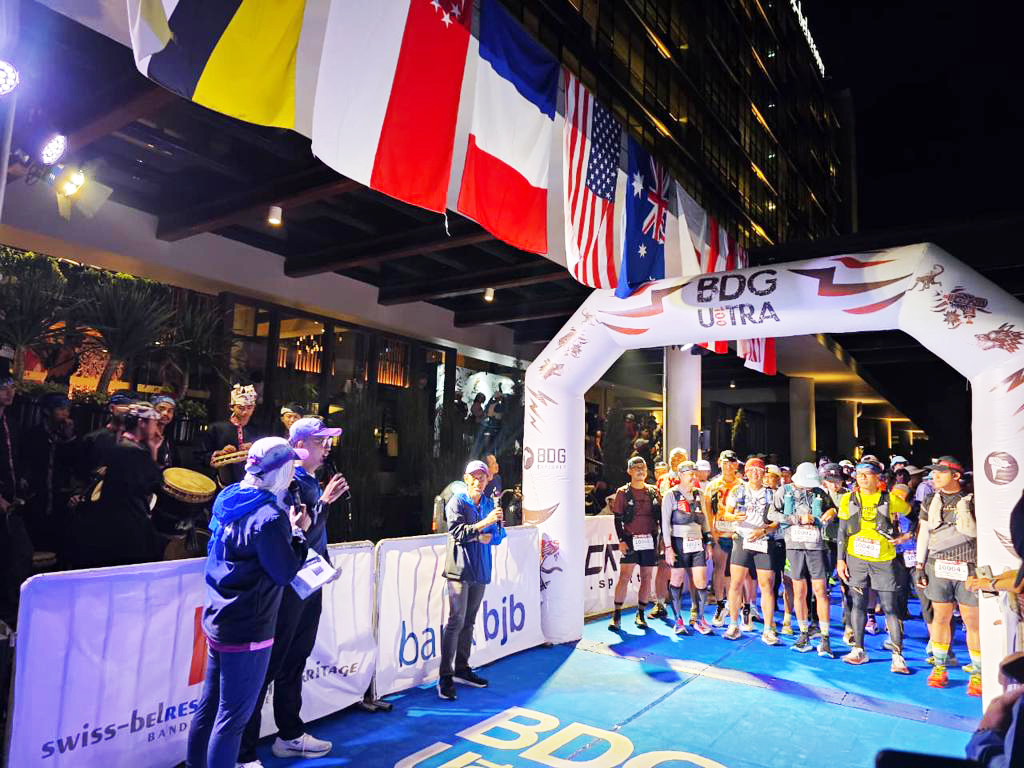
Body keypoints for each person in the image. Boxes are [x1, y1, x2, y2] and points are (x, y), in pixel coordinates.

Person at [186, 437, 311, 768]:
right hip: (250, 626)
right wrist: (298, 534)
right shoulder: (269, 516)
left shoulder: (227, 498)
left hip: (219, 618)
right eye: (291, 466)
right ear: (280, 471)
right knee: (232, 719)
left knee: (209, 706)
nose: (293, 473)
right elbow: (284, 572)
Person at [237, 420, 348, 765]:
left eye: (327, 441)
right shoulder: (289, 482)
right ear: (297, 444)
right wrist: (324, 503)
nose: (326, 447)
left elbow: (310, 536)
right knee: (268, 668)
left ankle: (289, 733)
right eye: (319, 441)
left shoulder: (310, 480)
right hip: (286, 587)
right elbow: (293, 534)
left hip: (307, 586)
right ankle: (243, 752)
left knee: (295, 661)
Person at [437, 460, 506, 701]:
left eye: (482, 477)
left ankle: (462, 669)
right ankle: (445, 677)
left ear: (488, 480)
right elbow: (457, 533)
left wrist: (492, 531)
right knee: (455, 621)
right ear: (466, 479)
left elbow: (498, 536)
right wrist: (483, 527)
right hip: (459, 570)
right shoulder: (457, 501)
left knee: (469, 622)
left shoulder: (489, 503)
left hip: (481, 571)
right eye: (474, 477)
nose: (478, 481)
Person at [836, 461, 911, 673]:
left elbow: (914, 515)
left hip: (883, 560)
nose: (862, 478)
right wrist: (840, 560)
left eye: (867, 474)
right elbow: (842, 531)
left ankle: (898, 656)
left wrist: (906, 536)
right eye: (859, 474)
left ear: (878, 478)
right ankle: (858, 649)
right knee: (858, 604)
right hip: (856, 559)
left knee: (889, 607)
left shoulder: (890, 499)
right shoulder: (848, 499)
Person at [915, 456, 981, 695]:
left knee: (972, 621)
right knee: (940, 618)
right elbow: (924, 533)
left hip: (969, 566)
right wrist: (919, 565)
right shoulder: (930, 499)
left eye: (940, 472)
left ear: (956, 476)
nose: (934, 476)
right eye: (933, 473)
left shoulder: (973, 499)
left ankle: (978, 673)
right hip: (937, 566)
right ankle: (939, 667)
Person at [72, 403, 166, 568]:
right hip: (127, 526)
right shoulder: (133, 451)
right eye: (153, 422)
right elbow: (153, 484)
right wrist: (153, 450)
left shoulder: (122, 445)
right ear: (141, 423)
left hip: (115, 523)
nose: (156, 428)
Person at [772, 462, 838, 657]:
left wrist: (831, 513)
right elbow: (772, 513)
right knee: (799, 591)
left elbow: (833, 510)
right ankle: (803, 634)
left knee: (821, 591)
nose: (808, 487)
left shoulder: (820, 492)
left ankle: (825, 637)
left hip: (816, 546)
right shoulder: (784, 491)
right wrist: (797, 519)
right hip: (794, 546)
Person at [722, 456, 781, 644]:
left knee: (766, 586)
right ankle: (733, 625)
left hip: (763, 540)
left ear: (764, 473)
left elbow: (777, 521)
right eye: (751, 470)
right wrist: (733, 518)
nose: (755, 473)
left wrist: (762, 531)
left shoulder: (772, 494)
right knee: (735, 583)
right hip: (742, 539)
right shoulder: (738, 490)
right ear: (746, 473)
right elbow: (726, 513)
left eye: (759, 470)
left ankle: (768, 629)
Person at [609, 456, 660, 631]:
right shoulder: (623, 492)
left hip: (649, 540)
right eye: (636, 468)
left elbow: (660, 518)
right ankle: (616, 615)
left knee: (647, 577)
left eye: (643, 467)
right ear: (629, 471)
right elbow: (618, 519)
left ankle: (641, 614)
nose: (640, 471)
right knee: (624, 577)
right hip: (630, 539)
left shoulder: (653, 491)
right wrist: (621, 541)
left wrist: (662, 541)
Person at [662, 461, 712, 635]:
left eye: (695, 473)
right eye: (690, 474)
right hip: (678, 542)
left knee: (701, 581)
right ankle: (678, 620)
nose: (694, 477)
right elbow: (665, 523)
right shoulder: (671, 495)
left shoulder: (699, 494)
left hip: (697, 542)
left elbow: (705, 520)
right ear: (681, 475)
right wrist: (668, 547)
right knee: (676, 579)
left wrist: (709, 542)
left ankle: (699, 619)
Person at [22, 393, 76, 553]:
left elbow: (75, 463)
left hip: (60, 496)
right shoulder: (33, 434)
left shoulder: (69, 436)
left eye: (67, 409)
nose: (65, 414)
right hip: (37, 495)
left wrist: (69, 438)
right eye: (61, 409)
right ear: (47, 411)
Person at [703, 450, 742, 627]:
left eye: (731, 463)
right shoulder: (712, 486)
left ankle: (739, 607)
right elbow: (707, 512)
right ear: (719, 463)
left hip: (738, 534)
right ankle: (720, 604)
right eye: (725, 463)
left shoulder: (742, 485)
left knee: (738, 573)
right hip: (719, 533)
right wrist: (712, 534)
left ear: (736, 465)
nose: (728, 466)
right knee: (719, 569)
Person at [202, 384, 261, 487]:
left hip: (252, 485)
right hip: (222, 484)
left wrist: (255, 448)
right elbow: (201, 455)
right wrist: (220, 453)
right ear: (231, 407)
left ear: (254, 408)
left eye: (249, 407)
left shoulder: (259, 430)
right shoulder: (216, 428)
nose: (245, 412)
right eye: (241, 408)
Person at [77, 391, 135, 481]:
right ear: (112, 408)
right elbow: (80, 470)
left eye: (133, 408)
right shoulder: (93, 438)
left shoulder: (137, 439)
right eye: (125, 406)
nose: (129, 411)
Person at [151, 394, 178, 469]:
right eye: (161, 409)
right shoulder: (144, 436)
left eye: (170, 411)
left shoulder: (169, 439)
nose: (165, 413)